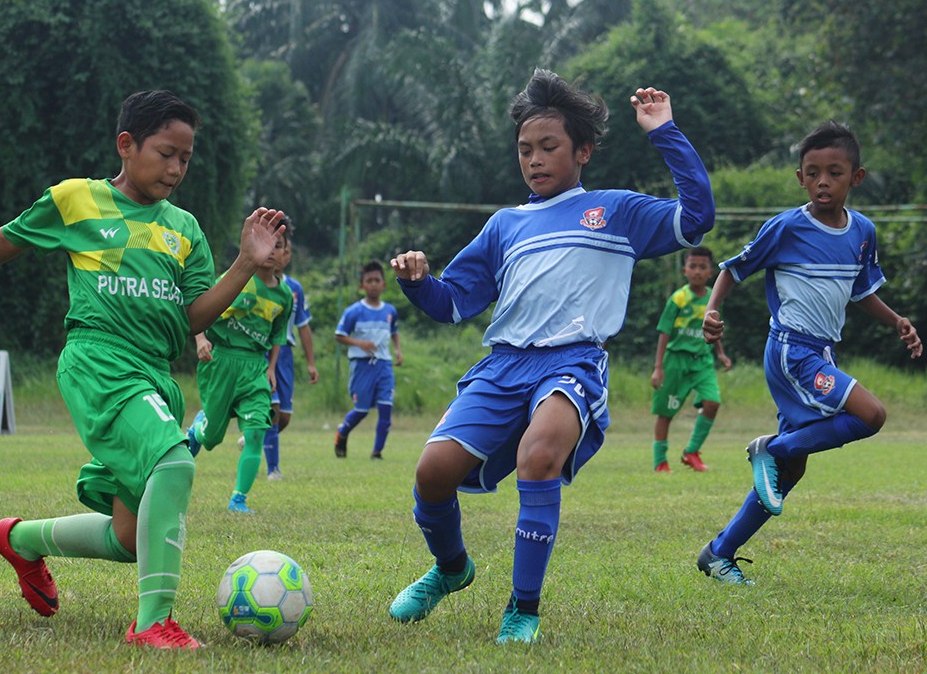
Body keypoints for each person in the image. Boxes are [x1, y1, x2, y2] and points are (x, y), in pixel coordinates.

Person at [0, 90, 286, 649]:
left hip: (155, 374)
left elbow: (195, 315)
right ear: (127, 145)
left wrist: (245, 262)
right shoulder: (79, 200)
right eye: (166, 152)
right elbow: (7, 240)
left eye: (186, 158)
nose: (176, 168)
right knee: (176, 462)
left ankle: (20, 539)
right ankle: (153, 623)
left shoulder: (186, 230)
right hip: (99, 361)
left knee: (129, 537)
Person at [388, 70, 714, 644]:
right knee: (431, 474)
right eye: (525, 150)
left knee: (539, 456)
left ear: (582, 151)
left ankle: (523, 608)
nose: (534, 160)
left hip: (572, 364)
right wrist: (419, 281)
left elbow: (697, 219)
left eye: (548, 147)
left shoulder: (616, 211)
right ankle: (450, 568)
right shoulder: (504, 226)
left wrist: (665, 132)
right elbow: (452, 303)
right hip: (501, 366)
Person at [696, 121, 921, 585]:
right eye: (812, 172)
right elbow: (734, 270)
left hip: (822, 353)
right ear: (800, 177)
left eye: (834, 173)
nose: (823, 181)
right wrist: (712, 310)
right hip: (791, 352)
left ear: (855, 178)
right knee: (872, 415)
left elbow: (861, 291)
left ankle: (719, 553)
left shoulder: (862, 232)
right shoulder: (785, 227)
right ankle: (770, 448)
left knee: (787, 474)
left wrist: (896, 320)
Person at [185, 230, 293, 513]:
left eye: (277, 246)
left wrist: (271, 368)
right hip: (220, 362)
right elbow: (200, 309)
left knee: (258, 429)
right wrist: (200, 339)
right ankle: (198, 428)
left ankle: (238, 500)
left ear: (284, 253)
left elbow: (278, 334)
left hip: (255, 366)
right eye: (265, 245)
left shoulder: (284, 296)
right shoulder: (235, 284)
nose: (271, 251)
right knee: (212, 438)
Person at [650, 246, 732, 473]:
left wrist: (721, 354)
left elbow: (712, 329)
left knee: (712, 401)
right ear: (685, 270)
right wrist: (658, 368)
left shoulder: (713, 300)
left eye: (702, 267)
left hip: (702, 361)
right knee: (666, 413)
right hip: (676, 361)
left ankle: (692, 451)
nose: (697, 271)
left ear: (710, 273)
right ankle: (660, 462)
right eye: (693, 266)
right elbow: (664, 332)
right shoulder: (678, 299)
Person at [260, 225, 319, 480]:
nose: (277, 253)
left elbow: (303, 328)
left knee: (284, 416)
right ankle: (273, 469)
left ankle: (256, 435)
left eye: (281, 247)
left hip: (285, 354)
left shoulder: (293, 289)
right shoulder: (251, 281)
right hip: (260, 350)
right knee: (272, 410)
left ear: (287, 253)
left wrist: (311, 363)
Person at [333, 260, 402, 460]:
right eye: (369, 280)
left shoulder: (390, 311)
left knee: (386, 409)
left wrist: (398, 350)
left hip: (384, 365)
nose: (373, 284)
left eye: (377, 280)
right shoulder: (354, 311)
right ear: (362, 285)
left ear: (384, 284)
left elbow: (394, 331)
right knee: (361, 410)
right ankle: (342, 431)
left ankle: (377, 452)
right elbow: (339, 335)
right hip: (362, 365)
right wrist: (360, 343)